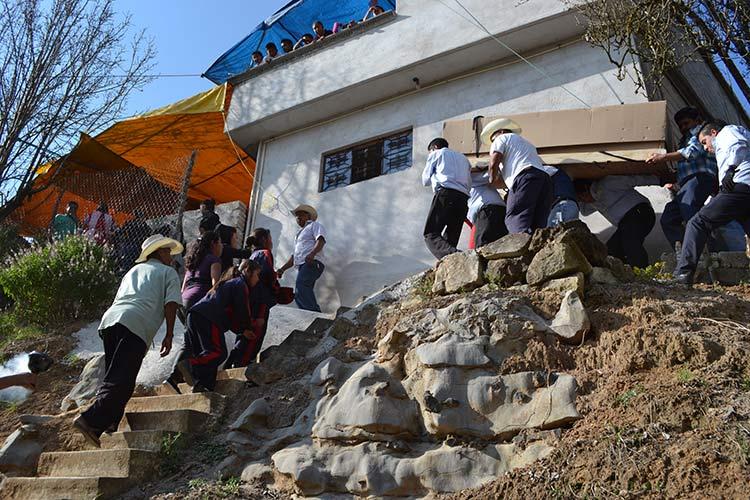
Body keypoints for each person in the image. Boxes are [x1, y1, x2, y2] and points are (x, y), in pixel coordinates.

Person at [72, 235, 182, 447]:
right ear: (159, 252)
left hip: (111, 321)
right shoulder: (168, 273)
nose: (170, 256)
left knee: (117, 375)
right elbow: (171, 304)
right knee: (122, 379)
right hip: (136, 324)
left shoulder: (133, 271)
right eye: (167, 251)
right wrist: (169, 334)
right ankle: (90, 419)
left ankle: (109, 422)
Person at [675, 122, 750, 284]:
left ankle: (683, 274)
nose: (705, 148)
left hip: (740, 186)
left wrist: (731, 168)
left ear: (714, 133)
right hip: (743, 191)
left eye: (704, 142)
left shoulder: (727, 132)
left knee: (697, 222)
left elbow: (738, 146)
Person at [646, 107, 718, 252]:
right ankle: (685, 253)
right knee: (668, 218)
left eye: (686, 123)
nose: (683, 128)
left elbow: (691, 153)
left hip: (700, 178)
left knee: (690, 212)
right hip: (687, 184)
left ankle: (707, 252)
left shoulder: (699, 133)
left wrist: (663, 157)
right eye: (680, 126)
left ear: (697, 121)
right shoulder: (683, 141)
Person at [186, 260, 262, 391]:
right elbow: (242, 310)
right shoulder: (240, 284)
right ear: (248, 271)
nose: (258, 279)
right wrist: (249, 326)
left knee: (203, 353)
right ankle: (190, 365)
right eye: (257, 274)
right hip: (208, 317)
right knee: (217, 352)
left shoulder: (228, 284)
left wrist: (241, 330)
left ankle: (202, 384)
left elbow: (231, 316)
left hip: (195, 315)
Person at [481, 118, 553, 234]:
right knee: (537, 223)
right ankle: (537, 246)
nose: (493, 142)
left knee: (515, 217)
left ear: (501, 132)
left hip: (525, 177)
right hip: (544, 179)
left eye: (492, 139)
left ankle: (520, 248)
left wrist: (491, 179)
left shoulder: (501, 138)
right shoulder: (527, 144)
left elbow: (494, 162)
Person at [575, 175, 658, 269]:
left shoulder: (607, 184)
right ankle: (623, 273)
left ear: (587, 189)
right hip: (625, 223)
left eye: (583, 197)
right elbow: (584, 212)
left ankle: (641, 271)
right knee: (611, 250)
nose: (586, 200)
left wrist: (660, 180)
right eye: (581, 199)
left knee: (630, 242)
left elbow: (634, 180)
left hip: (640, 213)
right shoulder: (590, 203)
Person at [225, 228, 278, 368]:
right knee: (256, 334)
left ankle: (233, 361)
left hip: (249, 299)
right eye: (270, 238)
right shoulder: (265, 253)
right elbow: (266, 275)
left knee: (245, 332)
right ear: (265, 240)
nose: (271, 242)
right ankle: (243, 365)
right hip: (260, 301)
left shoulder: (252, 256)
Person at [421, 138, 472, 259]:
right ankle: (451, 259)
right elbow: (469, 183)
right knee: (452, 234)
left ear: (434, 148)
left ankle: (452, 255)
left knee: (430, 233)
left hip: (445, 193)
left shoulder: (437, 153)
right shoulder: (464, 159)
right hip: (463, 197)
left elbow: (425, 181)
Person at [276, 205, 326, 312]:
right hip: (303, 265)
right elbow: (295, 256)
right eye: (296, 217)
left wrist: (312, 254)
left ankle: (314, 314)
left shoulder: (314, 225)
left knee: (301, 286)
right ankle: (310, 314)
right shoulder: (298, 235)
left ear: (308, 215)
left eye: (300, 215)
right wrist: (282, 269)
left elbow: (321, 240)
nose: (297, 218)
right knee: (302, 290)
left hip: (312, 262)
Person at [468, 166, 508, 248]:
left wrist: (482, 168)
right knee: (499, 246)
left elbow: (491, 173)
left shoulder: (469, 178)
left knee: (482, 246)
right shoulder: (465, 182)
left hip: (488, 209)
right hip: (496, 210)